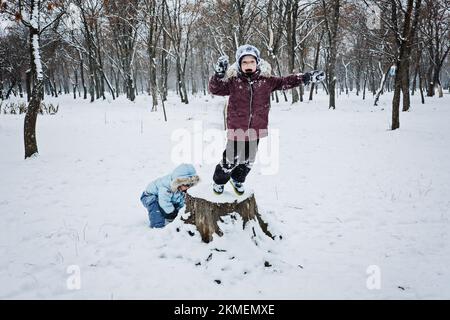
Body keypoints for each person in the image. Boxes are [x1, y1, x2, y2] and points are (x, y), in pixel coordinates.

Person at [209, 44, 325, 195]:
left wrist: (306, 77)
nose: (248, 65)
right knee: (231, 158)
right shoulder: (233, 82)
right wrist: (218, 75)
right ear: (239, 64)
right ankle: (219, 181)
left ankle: (237, 179)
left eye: (252, 61)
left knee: (248, 159)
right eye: (244, 62)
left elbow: (285, 81)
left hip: (257, 128)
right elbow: (215, 89)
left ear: (257, 63)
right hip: (237, 127)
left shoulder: (267, 81)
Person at [140, 163, 200, 228]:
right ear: (179, 182)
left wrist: (182, 211)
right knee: (155, 207)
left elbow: (181, 201)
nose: (188, 187)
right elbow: (164, 202)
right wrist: (172, 212)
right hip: (148, 197)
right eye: (187, 185)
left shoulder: (180, 188)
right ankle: (157, 226)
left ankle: (168, 215)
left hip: (163, 198)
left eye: (190, 185)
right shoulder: (166, 187)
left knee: (175, 205)